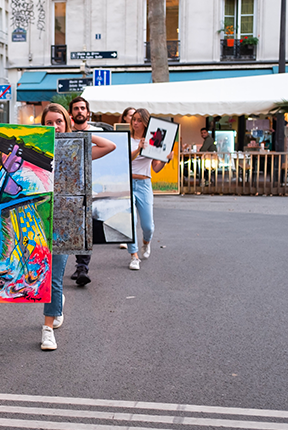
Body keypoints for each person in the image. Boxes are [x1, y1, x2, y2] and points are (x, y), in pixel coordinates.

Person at [40, 103, 115, 350]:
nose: (54, 126)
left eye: (58, 122)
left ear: (67, 123)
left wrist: (79, 136)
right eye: (48, 122)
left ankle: (47, 328)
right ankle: (56, 302)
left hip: (67, 219)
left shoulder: (78, 148)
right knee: (45, 275)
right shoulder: (36, 147)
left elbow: (109, 146)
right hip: (39, 217)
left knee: (54, 276)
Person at [127, 108, 172, 271]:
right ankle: (134, 255)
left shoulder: (153, 141)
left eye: (139, 120)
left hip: (144, 185)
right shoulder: (128, 139)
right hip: (128, 183)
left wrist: (166, 160)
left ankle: (146, 242)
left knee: (148, 226)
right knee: (130, 223)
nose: (135, 123)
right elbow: (126, 158)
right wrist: (138, 148)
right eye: (134, 120)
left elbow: (156, 168)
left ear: (146, 123)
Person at [68, 96, 102, 286]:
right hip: (69, 188)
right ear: (71, 113)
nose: (79, 111)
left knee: (85, 229)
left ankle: (82, 267)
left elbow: (110, 147)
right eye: (76, 108)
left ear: (88, 113)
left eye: (83, 108)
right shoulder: (65, 133)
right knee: (72, 229)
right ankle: (77, 265)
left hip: (90, 188)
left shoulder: (97, 133)